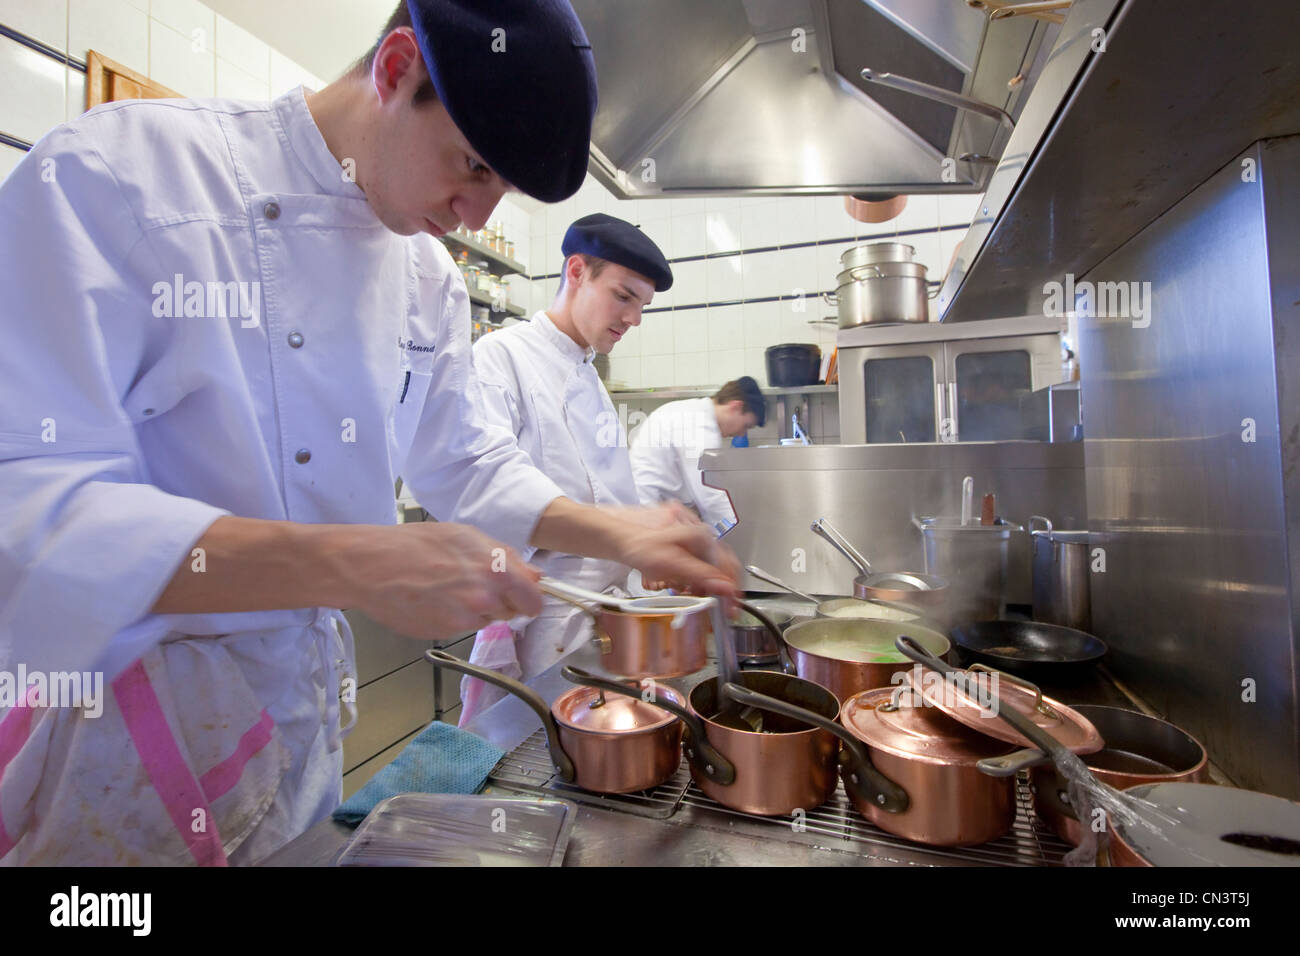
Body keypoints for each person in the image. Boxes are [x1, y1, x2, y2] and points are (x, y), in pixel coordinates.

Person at [0, 0, 737, 866]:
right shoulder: (120, 176)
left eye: (497, 191)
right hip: (120, 740)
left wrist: (617, 529)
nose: (472, 214)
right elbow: (28, 504)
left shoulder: (427, 275)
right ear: (395, 69)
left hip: (296, 718)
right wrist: (347, 560)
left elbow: (461, 457)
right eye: (471, 165)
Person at [458, 214, 674, 723]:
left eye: (642, 305)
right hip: (546, 619)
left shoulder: (590, 377)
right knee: (540, 751)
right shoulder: (500, 357)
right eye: (624, 296)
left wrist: (649, 548)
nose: (634, 318)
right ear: (576, 271)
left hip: (606, 618)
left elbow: (608, 493)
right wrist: (628, 538)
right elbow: (489, 485)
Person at [629, 377, 767, 529]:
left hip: (656, 507)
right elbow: (709, 495)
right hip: (647, 509)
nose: (741, 433)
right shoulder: (701, 427)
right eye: (746, 425)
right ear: (735, 407)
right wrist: (739, 531)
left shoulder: (695, 412)